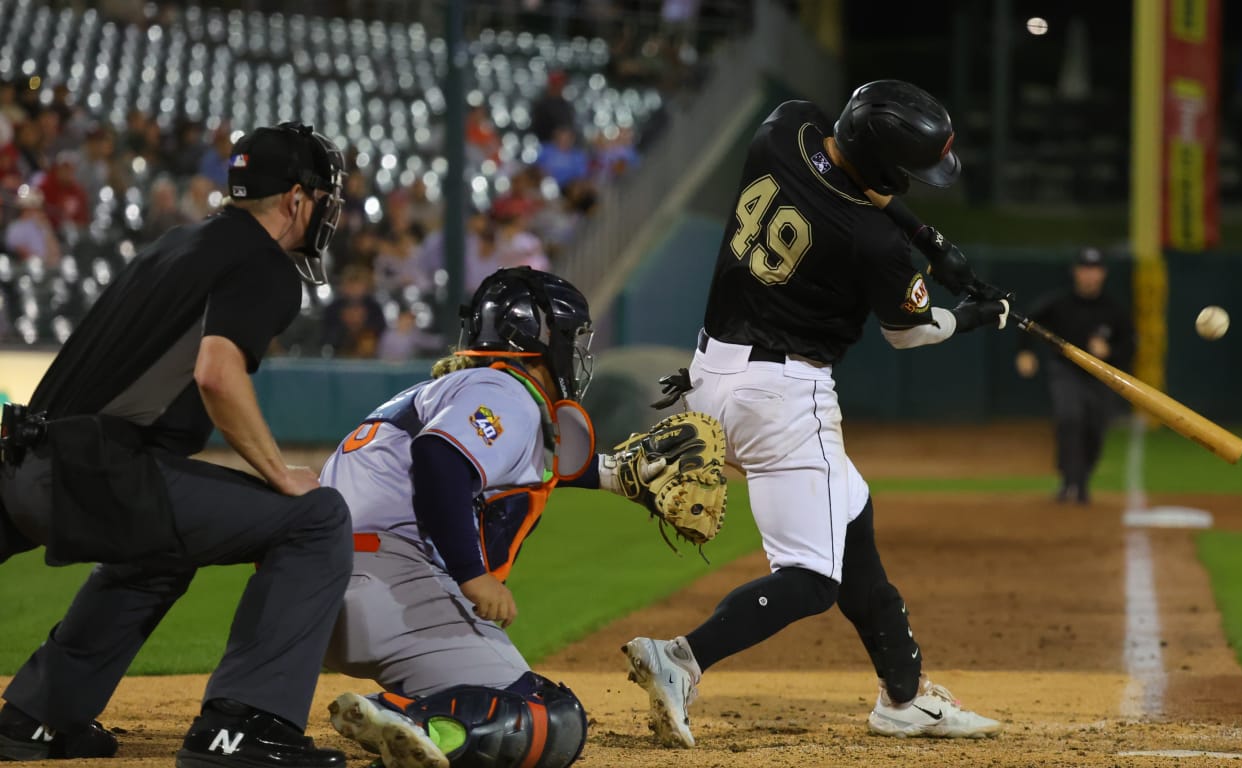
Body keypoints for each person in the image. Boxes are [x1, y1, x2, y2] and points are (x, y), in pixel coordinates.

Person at [620, 80, 1008, 748]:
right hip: (782, 398)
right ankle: (681, 658)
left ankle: (904, 698)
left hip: (711, 371)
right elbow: (911, 331)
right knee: (810, 580)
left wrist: (929, 241)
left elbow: (846, 187)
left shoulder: (783, 130)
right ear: (885, 166)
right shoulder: (871, 245)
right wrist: (977, 313)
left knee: (852, 513)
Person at [0, 122, 353, 768]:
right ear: (298, 200)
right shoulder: (266, 264)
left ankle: (40, 717)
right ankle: (245, 725)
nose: (328, 211)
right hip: (96, 473)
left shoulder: (175, 244)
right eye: (325, 198)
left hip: (26, 458)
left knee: (159, 547)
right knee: (316, 519)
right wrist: (279, 472)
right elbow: (217, 375)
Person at [320, 268, 662, 768]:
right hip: (389, 589)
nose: (577, 351)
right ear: (541, 337)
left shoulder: (456, 389)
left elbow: (523, 470)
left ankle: (401, 718)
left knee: (500, 701)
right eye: (571, 336)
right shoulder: (508, 392)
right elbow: (441, 459)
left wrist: (614, 474)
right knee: (547, 717)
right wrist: (472, 576)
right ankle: (410, 722)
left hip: (322, 592)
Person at [1014, 247, 1134, 504]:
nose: (1090, 275)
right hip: (1066, 372)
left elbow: (1131, 345)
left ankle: (1080, 481)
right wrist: (1025, 352)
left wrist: (1110, 352)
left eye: (1095, 269)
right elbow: (1027, 322)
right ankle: (1070, 483)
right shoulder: (1060, 304)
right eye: (1085, 269)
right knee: (1070, 418)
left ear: (1103, 274)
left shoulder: (1114, 310)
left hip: (1101, 377)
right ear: (1075, 272)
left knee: (1094, 429)